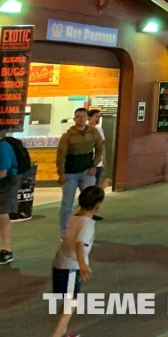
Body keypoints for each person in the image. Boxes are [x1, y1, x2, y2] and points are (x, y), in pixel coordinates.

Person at [50, 184, 105, 337]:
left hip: (60, 262)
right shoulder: (86, 225)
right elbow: (79, 244)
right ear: (97, 206)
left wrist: (102, 186)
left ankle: (65, 332)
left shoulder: (75, 214)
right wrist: (83, 265)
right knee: (71, 304)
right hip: (71, 268)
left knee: (67, 301)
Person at [56, 108, 103, 238]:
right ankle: (64, 232)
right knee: (67, 204)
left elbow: (100, 149)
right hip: (70, 173)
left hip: (87, 172)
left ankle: (86, 229)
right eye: (78, 116)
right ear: (74, 118)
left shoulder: (93, 133)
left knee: (90, 202)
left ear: (87, 118)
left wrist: (94, 165)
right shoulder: (68, 135)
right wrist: (61, 173)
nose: (81, 118)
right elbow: (61, 155)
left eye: (83, 116)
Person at [0, 126, 25, 265]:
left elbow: (3, 172)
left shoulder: (2, 147)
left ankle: (6, 250)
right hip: (4, 180)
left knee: (3, 215)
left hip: (8, 181)